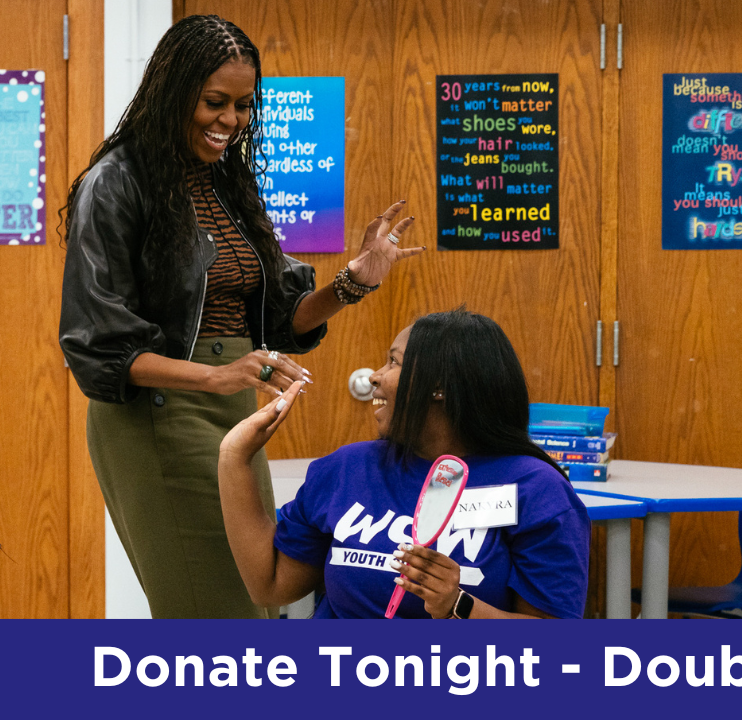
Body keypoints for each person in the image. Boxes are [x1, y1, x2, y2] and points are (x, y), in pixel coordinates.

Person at [58, 14, 422, 618]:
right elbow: (96, 345)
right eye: (214, 102)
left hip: (233, 415)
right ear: (174, 94)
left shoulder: (224, 183)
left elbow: (283, 318)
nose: (231, 121)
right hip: (156, 418)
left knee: (261, 599)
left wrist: (354, 280)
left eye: (244, 106)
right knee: (212, 614)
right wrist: (214, 376)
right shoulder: (117, 183)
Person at [217, 309, 592, 619]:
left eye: (393, 362)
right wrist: (234, 457)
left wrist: (459, 606)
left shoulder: (535, 489)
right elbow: (270, 584)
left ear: (439, 386)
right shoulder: (346, 468)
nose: (374, 377)